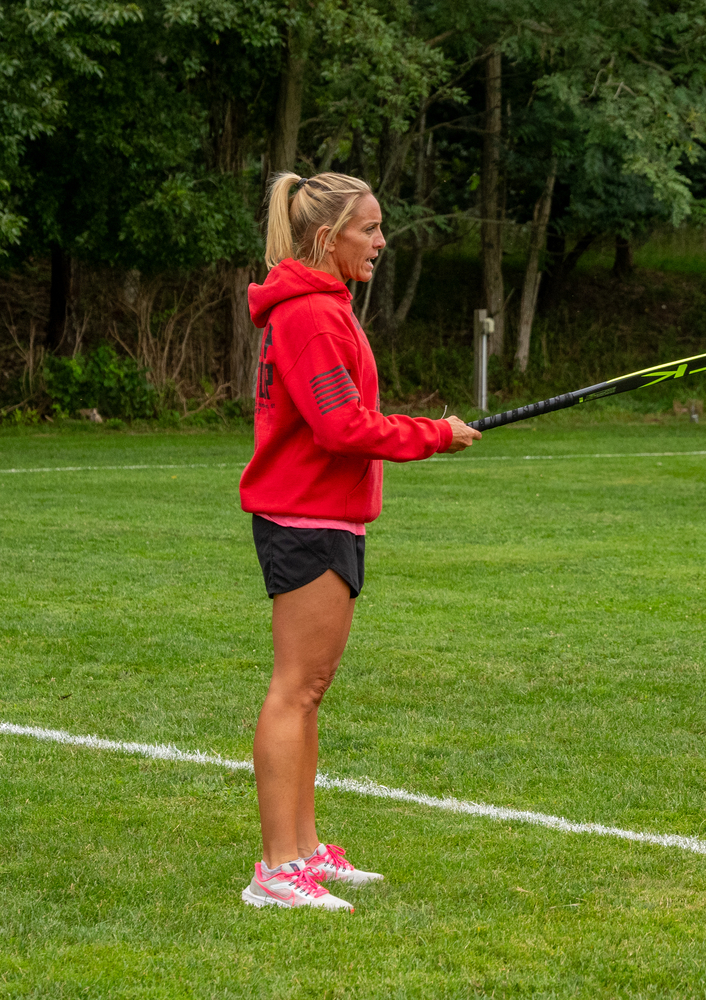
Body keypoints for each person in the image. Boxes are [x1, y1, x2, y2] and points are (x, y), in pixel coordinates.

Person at [238, 171, 481, 909]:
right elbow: (340, 427)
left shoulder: (324, 308)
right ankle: (277, 869)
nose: (381, 242)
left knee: (310, 693)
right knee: (296, 690)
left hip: (326, 515)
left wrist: (428, 432)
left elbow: (342, 416)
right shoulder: (312, 314)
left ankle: (304, 853)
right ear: (326, 237)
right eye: (369, 229)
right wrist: (434, 433)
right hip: (305, 517)